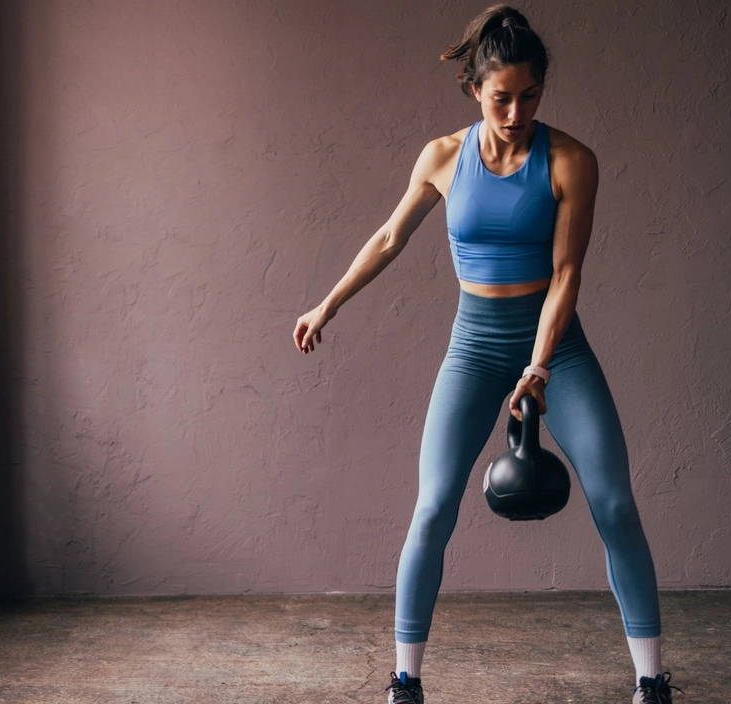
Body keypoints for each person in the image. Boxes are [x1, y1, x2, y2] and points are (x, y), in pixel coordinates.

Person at [292, 5, 681, 703]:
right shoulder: (442, 156)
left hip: (556, 351)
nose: (514, 111)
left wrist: (536, 367)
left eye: (529, 95)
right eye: (500, 96)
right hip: (472, 348)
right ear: (474, 88)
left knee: (615, 503)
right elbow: (387, 238)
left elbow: (566, 276)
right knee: (433, 505)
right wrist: (328, 303)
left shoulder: (569, 161)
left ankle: (651, 679)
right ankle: (404, 679)